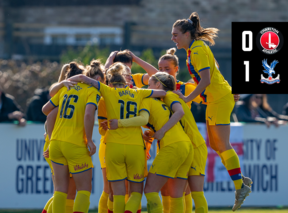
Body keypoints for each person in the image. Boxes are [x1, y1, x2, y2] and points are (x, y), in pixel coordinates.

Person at [171, 12, 251, 211]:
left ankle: (240, 186)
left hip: (219, 100)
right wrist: (227, 88)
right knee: (215, 144)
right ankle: (241, 181)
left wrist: (189, 98)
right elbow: (212, 72)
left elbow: (206, 80)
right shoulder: (195, 49)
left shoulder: (196, 50)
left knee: (222, 144)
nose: (172, 38)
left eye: (175, 34)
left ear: (187, 34)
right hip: (217, 98)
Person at [68, 62, 166, 213]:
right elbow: (162, 93)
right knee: (135, 193)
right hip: (135, 148)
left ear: (111, 83)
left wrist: (64, 83)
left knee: (116, 194)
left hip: (114, 147)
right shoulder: (138, 93)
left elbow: (82, 77)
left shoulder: (108, 92)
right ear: (126, 82)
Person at [108, 72, 194, 213]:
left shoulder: (147, 100)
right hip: (186, 145)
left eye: (149, 85)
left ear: (158, 85)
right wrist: (152, 133)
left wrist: (120, 123)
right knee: (177, 194)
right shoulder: (164, 100)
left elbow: (143, 119)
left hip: (172, 145)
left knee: (149, 190)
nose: (148, 88)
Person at [42, 62, 100, 213]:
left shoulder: (66, 88)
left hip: (55, 144)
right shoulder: (92, 91)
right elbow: (88, 115)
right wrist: (90, 140)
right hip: (75, 144)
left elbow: (46, 110)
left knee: (60, 190)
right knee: (84, 189)